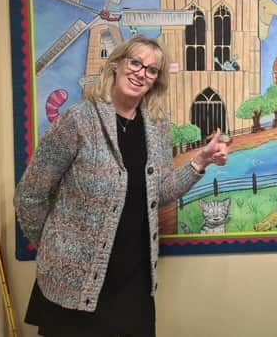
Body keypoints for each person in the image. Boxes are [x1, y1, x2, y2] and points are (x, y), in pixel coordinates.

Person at [14, 35, 230, 337]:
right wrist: (55, 246)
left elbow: (160, 191)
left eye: (152, 70)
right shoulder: (78, 120)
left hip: (134, 281)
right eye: (135, 62)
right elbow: (30, 193)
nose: (141, 73)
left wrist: (200, 161)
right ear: (116, 65)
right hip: (72, 287)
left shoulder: (157, 127)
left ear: (156, 81)